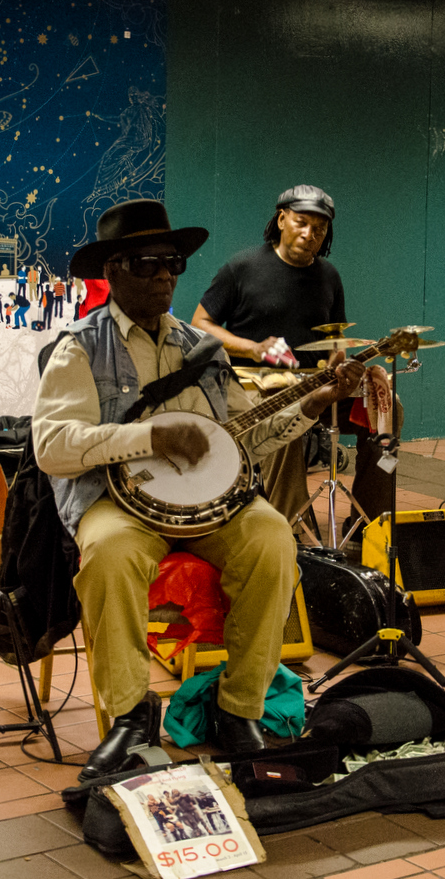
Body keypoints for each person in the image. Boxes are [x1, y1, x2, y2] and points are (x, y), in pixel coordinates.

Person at [33, 199, 364, 780]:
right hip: (119, 506)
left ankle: (239, 709)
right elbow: (53, 446)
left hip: (212, 508)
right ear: (112, 271)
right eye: (147, 263)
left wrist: (315, 402)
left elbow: (248, 436)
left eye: (174, 264)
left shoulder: (202, 349)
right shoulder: (80, 347)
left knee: (272, 537)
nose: (165, 275)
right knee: (109, 554)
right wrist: (149, 435)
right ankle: (131, 722)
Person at [192, 185, 398, 540]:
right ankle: (296, 534)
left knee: (386, 408)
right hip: (258, 385)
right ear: (281, 219)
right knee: (282, 420)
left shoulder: (329, 275)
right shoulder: (241, 268)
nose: (309, 234)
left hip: (315, 381)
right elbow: (200, 325)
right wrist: (255, 348)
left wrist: (341, 367)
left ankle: (370, 526)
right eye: (301, 223)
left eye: (319, 229)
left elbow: (336, 340)